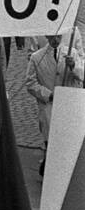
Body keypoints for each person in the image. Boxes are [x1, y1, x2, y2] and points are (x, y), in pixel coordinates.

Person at [26, 33, 84, 175]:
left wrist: (74, 67)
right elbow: (30, 83)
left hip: (68, 105)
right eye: (52, 37)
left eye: (58, 37)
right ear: (47, 37)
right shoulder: (37, 57)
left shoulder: (72, 53)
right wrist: (48, 94)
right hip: (49, 106)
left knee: (67, 141)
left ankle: (59, 173)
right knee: (51, 141)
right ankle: (49, 171)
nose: (56, 40)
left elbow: (82, 76)